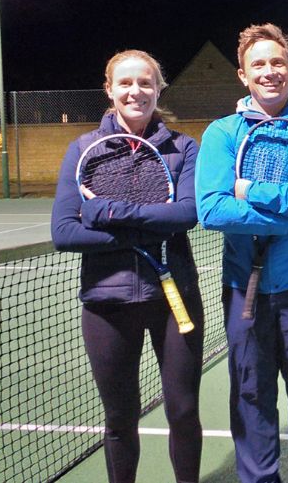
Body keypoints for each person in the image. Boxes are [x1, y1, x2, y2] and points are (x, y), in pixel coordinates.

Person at [195, 23, 288, 483]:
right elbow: (214, 209)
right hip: (244, 290)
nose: (269, 71)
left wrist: (254, 191)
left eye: (277, 62)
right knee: (250, 394)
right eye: (258, 64)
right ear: (243, 75)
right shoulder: (221, 133)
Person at [51, 50, 203, 483]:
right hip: (106, 304)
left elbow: (187, 214)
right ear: (109, 89)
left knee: (184, 411)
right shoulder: (82, 149)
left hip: (176, 301)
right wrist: (147, 228)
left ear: (159, 88)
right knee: (119, 419)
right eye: (125, 83)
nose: (135, 91)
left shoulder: (184, 147)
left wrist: (107, 212)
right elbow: (65, 232)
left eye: (145, 82)